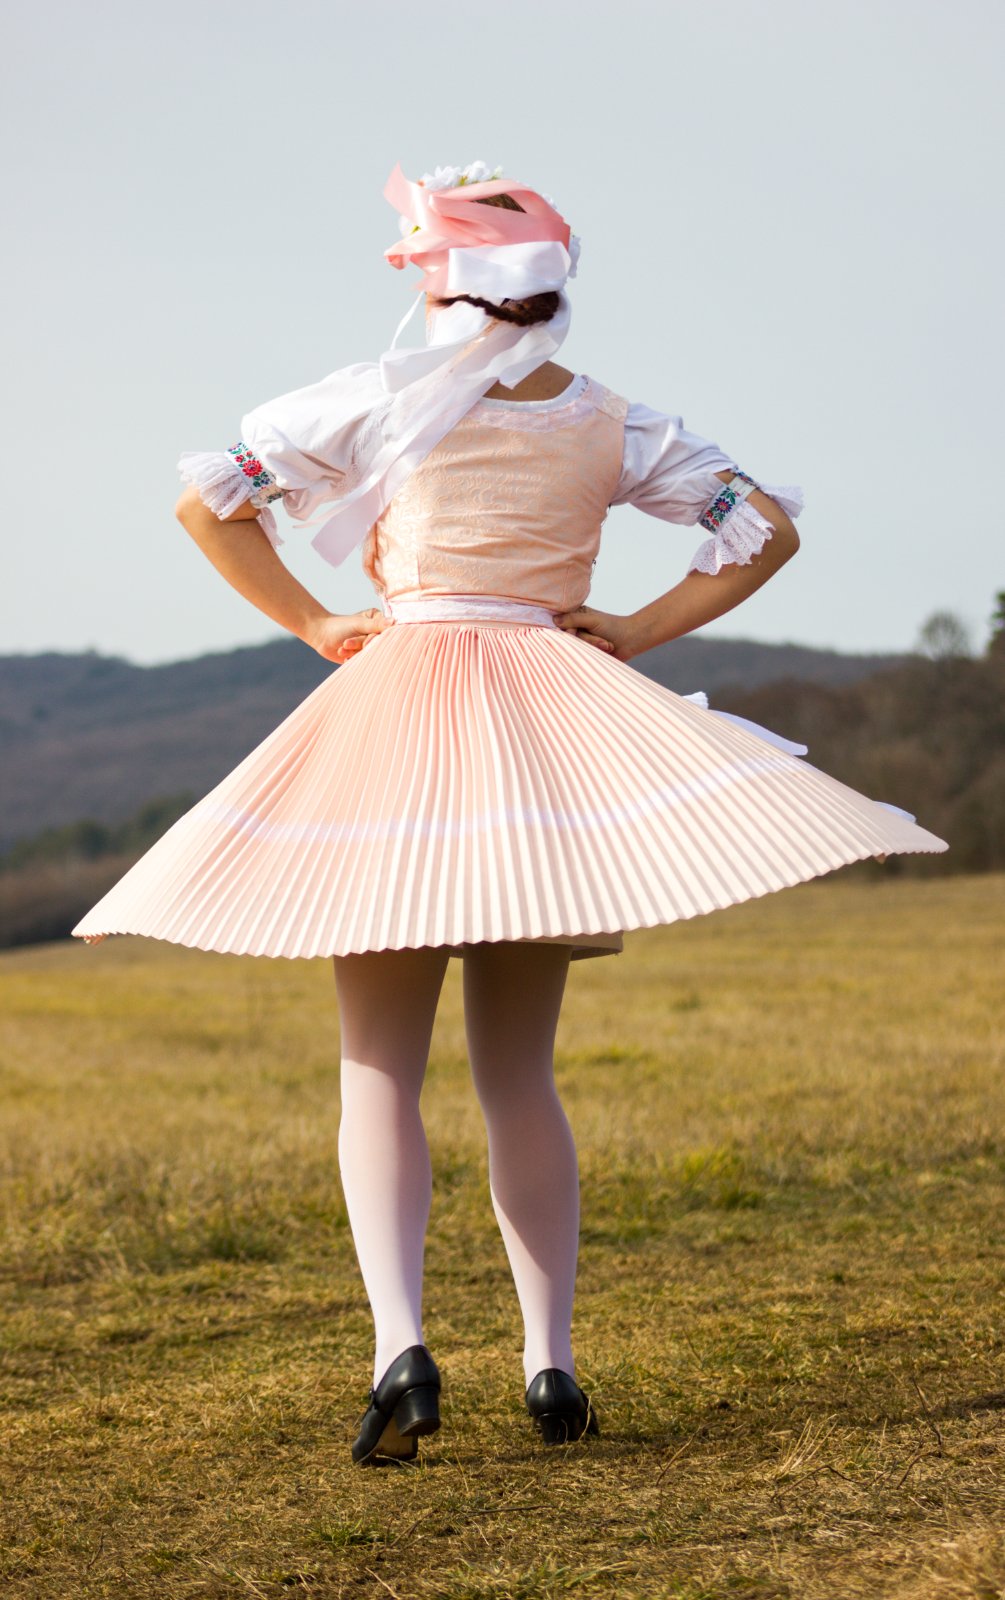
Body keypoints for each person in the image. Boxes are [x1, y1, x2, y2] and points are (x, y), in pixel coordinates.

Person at [71, 160, 948, 1466]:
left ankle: (401, 1351)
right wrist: (638, 628)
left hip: (396, 721)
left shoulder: (371, 399)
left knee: (378, 1066)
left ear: (438, 280)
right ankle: (550, 1363)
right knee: (519, 1074)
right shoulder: (611, 420)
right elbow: (762, 529)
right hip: (544, 734)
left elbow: (210, 498)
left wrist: (312, 621)